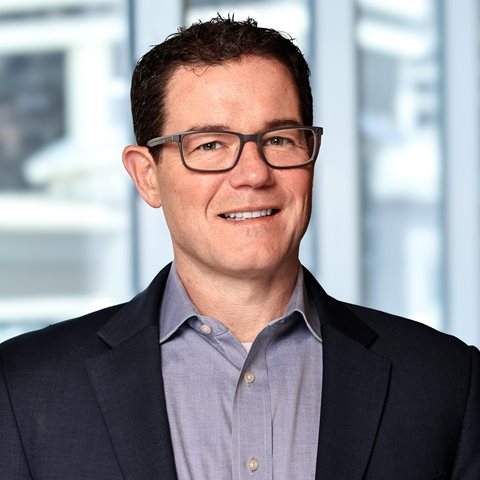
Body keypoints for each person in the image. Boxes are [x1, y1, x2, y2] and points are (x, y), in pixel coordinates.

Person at [1, 15, 478, 480]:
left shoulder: (448, 382)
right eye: (210, 145)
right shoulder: (22, 389)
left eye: (279, 139)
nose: (253, 174)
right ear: (147, 176)